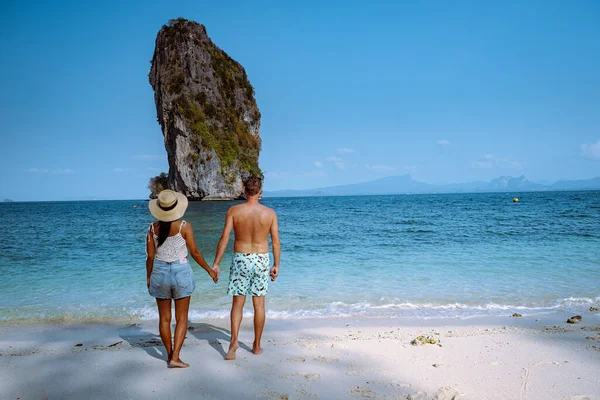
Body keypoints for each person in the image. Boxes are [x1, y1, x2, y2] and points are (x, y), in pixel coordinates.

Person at [146, 189, 218, 368]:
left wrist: (149, 276)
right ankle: (175, 357)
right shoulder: (184, 226)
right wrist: (209, 270)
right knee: (182, 317)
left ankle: (170, 354)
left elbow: (150, 257)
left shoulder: (152, 228)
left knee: (164, 319)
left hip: (160, 272)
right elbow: (194, 252)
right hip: (181, 272)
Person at [212, 176, 281, 360]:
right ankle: (256, 346)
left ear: (244, 192)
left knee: (238, 303)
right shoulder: (269, 213)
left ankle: (234, 341)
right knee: (259, 305)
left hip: (241, 258)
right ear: (260, 192)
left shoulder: (234, 211)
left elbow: (224, 238)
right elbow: (275, 242)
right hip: (261, 259)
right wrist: (276, 264)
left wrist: (216, 263)